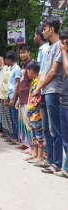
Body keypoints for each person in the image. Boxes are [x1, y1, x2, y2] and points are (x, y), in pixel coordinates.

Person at [31, 17, 64, 173]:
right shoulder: (49, 48)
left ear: (51, 29)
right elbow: (43, 71)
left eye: (44, 28)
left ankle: (57, 163)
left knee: (54, 128)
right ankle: (49, 158)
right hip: (44, 92)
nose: (43, 31)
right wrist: (37, 89)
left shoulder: (59, 46)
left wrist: (39, 88)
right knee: (45, 128)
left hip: (53, 92)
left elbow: (53, 71)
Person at [24, 61, 45, 165]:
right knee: (33, 134)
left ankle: (40, 156)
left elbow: (37, 99)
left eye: (28, 71)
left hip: (36, 113)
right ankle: (35, 153)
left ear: (31, 71)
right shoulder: (34, 81)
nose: (27, 73)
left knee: (39, 135)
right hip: (31, 114)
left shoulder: (38, 83)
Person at [15, 44, 34, 152]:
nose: (22, 54)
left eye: (24, 52)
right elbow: (21, 82)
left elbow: (33, 81)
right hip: (21, 97)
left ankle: (31, 146)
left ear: (29, 52)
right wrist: (18, 99)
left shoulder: (32, 64)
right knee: (22, 122)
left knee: (29, 122)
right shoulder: (22, 66)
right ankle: (25, 143)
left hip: (29, 97)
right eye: (20, 53)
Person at [57, 27, 68, 179]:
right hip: (64, 100)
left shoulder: (65, 55)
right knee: (65, 137)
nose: (64, 43)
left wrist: (64, 53)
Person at [5, 50, 21, 145]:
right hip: (10, 95)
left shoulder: (17, 69)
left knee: (15, 118)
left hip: (14, 96)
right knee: (11, 117)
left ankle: (16, 137)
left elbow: (17, 83)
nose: (6, 62)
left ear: (10, 59)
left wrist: (13, 98)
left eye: (6, 60)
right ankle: (13, 135)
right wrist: (8, 97)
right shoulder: (11, 69)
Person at [0, 56, 13, 139]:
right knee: (4, 114)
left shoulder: (12, 69)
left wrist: (7, 96)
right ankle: (6, 132)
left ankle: (11, 133)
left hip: (7, 94)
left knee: (8, 115)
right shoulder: (6, 69)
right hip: (3, 94)